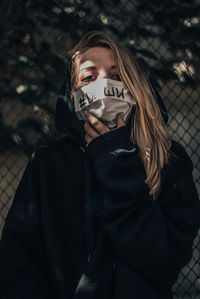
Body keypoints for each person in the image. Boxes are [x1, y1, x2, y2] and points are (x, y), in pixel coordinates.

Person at [0, 30, 200, 299]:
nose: (104, 85)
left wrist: (117, 163)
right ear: (71, 95)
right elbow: (18, 261)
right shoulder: (49, 163)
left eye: (116, 76)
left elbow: (164, 260)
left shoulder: (168, 159)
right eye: (88, 77)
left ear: (135, 88)